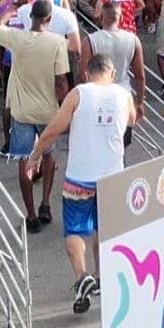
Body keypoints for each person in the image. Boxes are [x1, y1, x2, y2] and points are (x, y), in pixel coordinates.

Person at [30, 53, 137, 314]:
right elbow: (133, 120)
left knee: (76, 230)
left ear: (87, 73)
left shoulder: (78, 94)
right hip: (113, 176)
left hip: (80, 176)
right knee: (105, 227)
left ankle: (82, 276)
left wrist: (35, 156)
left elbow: (55, 128)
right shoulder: (123, 94)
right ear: (111, 73)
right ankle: (102, 278)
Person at [0, 0, 71, 232]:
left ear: (30, 17)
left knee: (24, 160)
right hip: (48, 111)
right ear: (49, 20)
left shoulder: (17, 38)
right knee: (49, 156)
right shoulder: (58, 43)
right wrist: (68, 108)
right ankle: (45, 203)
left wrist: (9, 8)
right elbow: (61, 81)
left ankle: (30, 215)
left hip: (21, 111)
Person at [82, 2, 147, 142]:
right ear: (121, 18)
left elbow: (83, 75)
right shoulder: (133, 41)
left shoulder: (90, 41)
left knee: (98, 143)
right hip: (123, 97)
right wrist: (140, 101)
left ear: (101, 18)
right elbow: (140, 76)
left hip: (96, 97)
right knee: (122, 143)